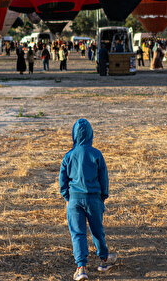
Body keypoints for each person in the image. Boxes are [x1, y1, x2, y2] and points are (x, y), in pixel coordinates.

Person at [59, 118, 116, 279]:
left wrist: (67, 197)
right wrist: (103, 196)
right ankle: (104, 259)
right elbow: (103, 178)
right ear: (91, 134)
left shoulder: (68, 156)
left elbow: (62, 181)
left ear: (74, 135)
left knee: (78, 233)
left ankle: (81, 268)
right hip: (94, 199)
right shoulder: (96, 154)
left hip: (74, 200)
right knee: (97, 231)